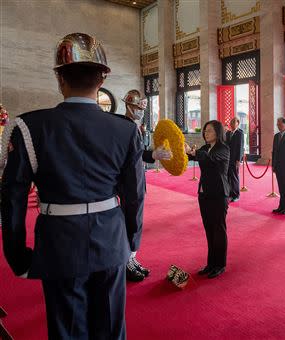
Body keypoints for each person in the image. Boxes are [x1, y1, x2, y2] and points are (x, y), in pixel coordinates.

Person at [1, 33, 145, 339]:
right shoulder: (125, 129)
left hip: (59, 242)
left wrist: (16, 254)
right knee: (109, 326)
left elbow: (12, 196)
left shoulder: (29, 126)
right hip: (111, 239)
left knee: (67, 329)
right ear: (102, 79)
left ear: (59, 79)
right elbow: (134, 195)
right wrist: (131, 241)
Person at [122, 89, 171, 282]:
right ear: (128, 106)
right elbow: (136, 154)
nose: (140, 111)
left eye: (142, 108)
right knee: (130, 220)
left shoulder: (134, 126)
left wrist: (152, 154)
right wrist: (152, 154)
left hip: (137, 178)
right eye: (136, 107)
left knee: (135, 220)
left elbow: (138, 153)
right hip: (127, 181)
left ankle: (131, 258)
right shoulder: (125, 127)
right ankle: (126, 261)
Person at [185, 120, 230, 279]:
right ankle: (211, 264)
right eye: (205, 131)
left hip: (218, 195)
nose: (206, 133)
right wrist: (183, 151)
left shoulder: (223, 149)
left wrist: (194, 152)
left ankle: (220, 264)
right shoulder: (205, 148)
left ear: (218, 133)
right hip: (204, 195)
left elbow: (209, 159)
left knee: (218, 230)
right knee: (209, 230)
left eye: (209, 131)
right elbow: (194, 157)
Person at [226, 117, 244, 202]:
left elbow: (240, 147)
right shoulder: (228, 133)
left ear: (237, 124)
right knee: (229, 176)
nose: (232, 124)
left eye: (234, 122)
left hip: (235, 159)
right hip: (228, 159)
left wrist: (239, 160)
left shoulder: (239, 133)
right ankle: (230, 193)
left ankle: (236, 195)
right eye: (231, 122)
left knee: (234, 177)